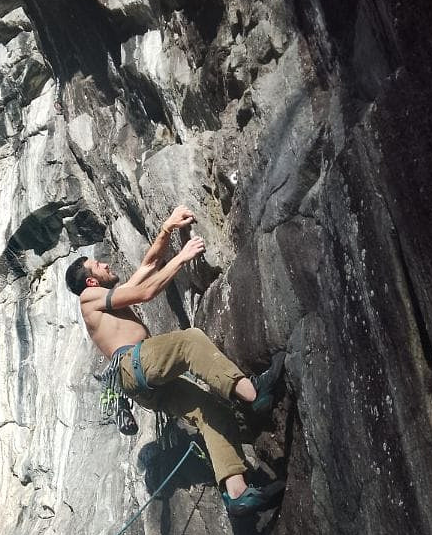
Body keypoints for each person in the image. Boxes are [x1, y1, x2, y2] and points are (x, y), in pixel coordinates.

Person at [65, 205, 285, 516]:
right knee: (189, 342)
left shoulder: (105, 300)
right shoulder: (89, 298)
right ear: (90, 281)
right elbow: (145, 293)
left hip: (142, 384)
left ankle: (237, 493)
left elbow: (148, 265)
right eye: (97, 265)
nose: (104, 263)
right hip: (134, 364)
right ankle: (254, 393)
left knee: (210, 411)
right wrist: (183, 257)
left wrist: (167, 228)